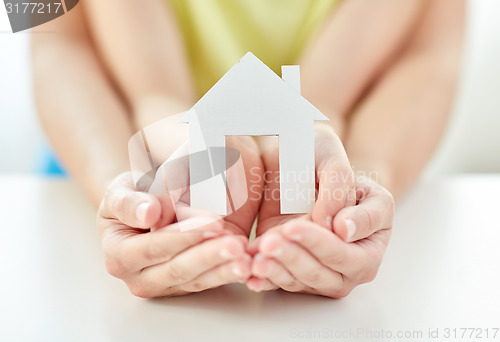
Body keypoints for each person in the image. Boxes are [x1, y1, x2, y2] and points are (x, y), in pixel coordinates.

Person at [31, 0, 464, 298]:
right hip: (106, 154)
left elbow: (433, 55)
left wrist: (358, 187)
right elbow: (52, 39)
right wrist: (124, 190)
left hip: (335, 168)